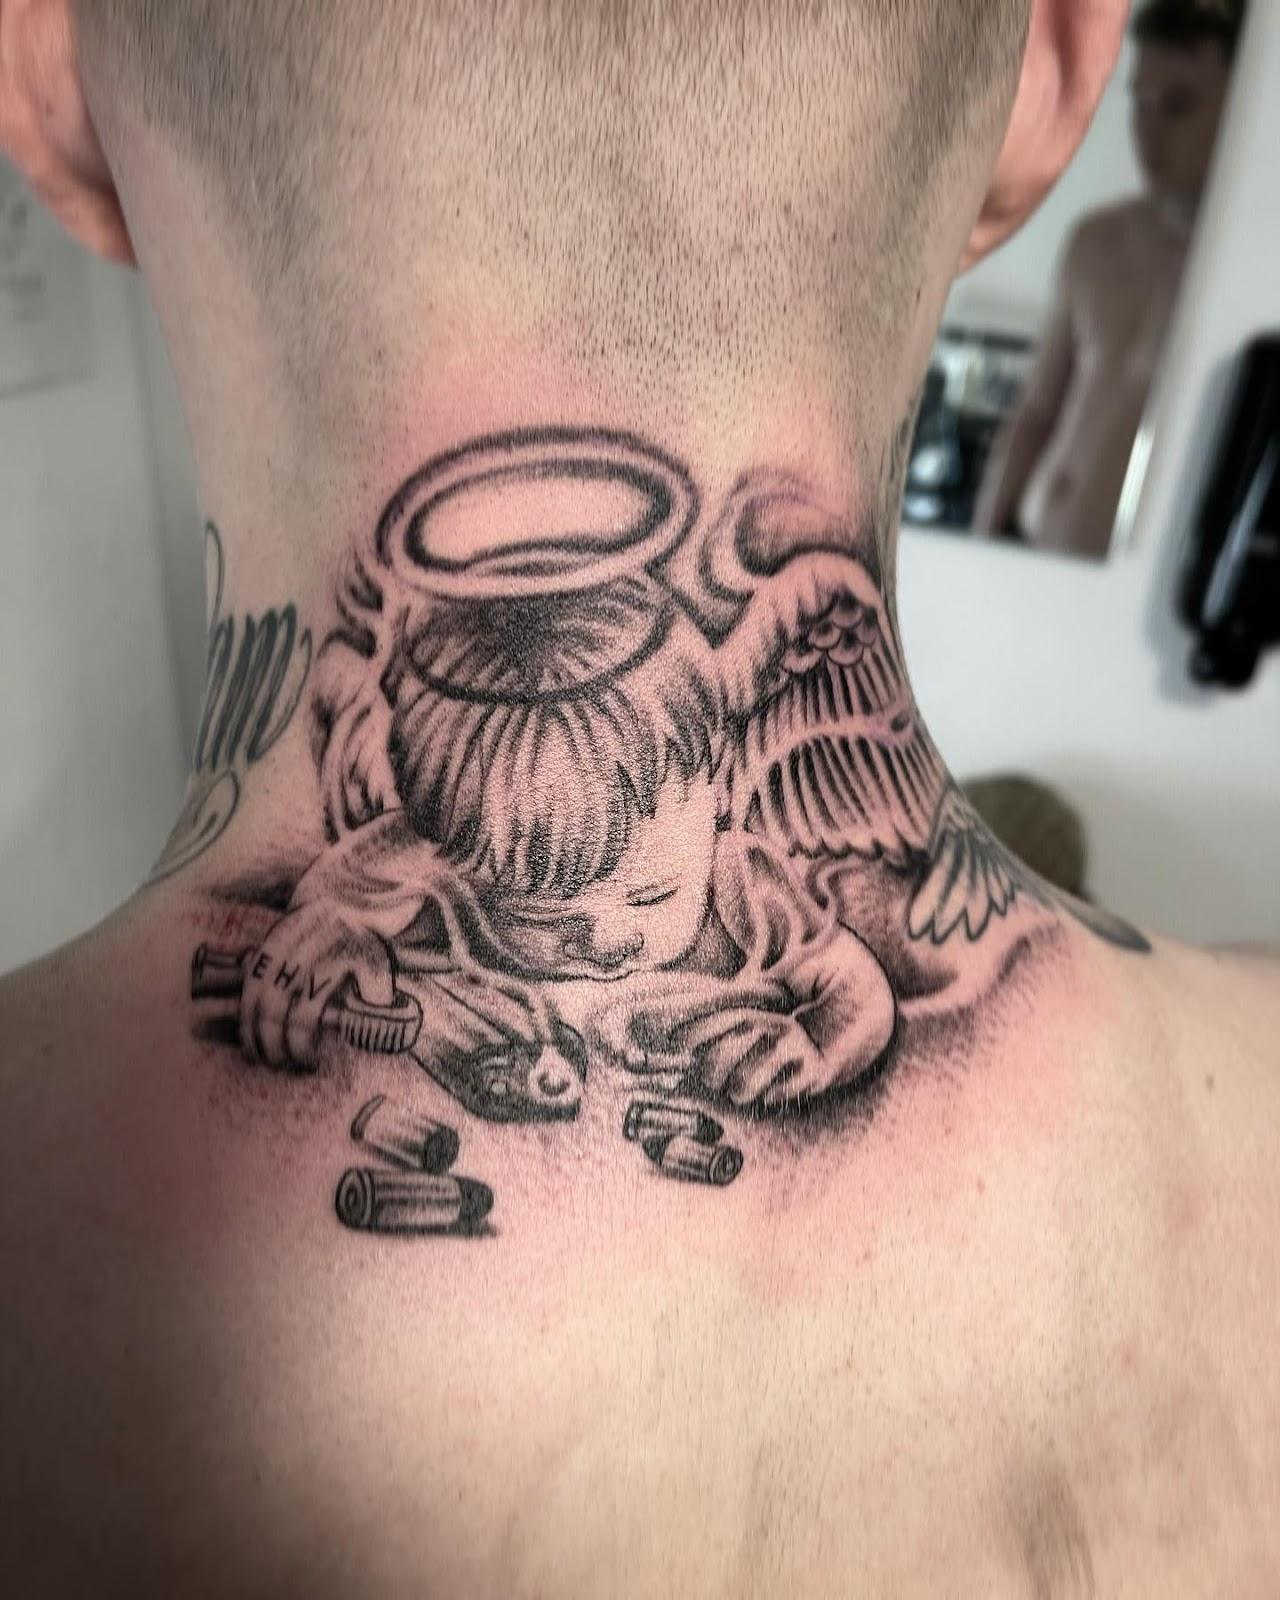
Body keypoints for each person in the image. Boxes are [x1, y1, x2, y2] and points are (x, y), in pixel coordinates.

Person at [1, 2, 1277, 1593]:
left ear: (43, 77)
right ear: (1058, 67)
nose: (595, 946)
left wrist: (829, 1034)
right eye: (543, 912)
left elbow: (838, 979)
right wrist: (325, 929)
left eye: (629, 898)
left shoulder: (752, 880)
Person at [975, 0, 1246, 559]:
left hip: (1130, 581)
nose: (1149, 130)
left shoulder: (1244, 270)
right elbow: (1036, 413)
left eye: (1178, 106)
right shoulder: (1097, 241)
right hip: (1031, 540)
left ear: (1237, 106)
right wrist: (984, 544)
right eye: (1139, 100)